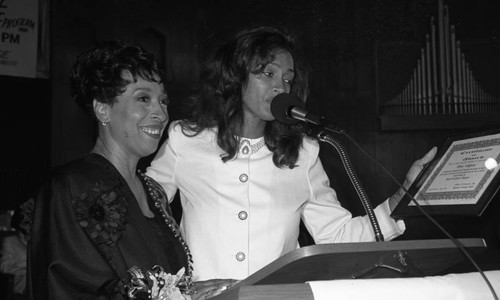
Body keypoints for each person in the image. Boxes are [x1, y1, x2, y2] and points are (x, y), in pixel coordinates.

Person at [146, 26, 437, 281]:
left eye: (287, 79)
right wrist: (175, 282)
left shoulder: (304, 154)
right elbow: (142, 211)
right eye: (268, 73)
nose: (279, 86)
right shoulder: (185, 139)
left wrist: (402, 198)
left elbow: (336, 236)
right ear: (235, 77)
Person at [28, 41, 235, 299]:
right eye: (143, 99)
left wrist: (185, 292)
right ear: (102, 109)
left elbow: (156, 282)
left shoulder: (153, 193)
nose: (160, 112)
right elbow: (68, 287)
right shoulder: (69, 186)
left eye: (163, 101)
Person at [0, 201, 32, 299]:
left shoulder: (39, 242)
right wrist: (27, 271)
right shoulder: (10, 241)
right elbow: (4, 266)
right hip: (21, 287)